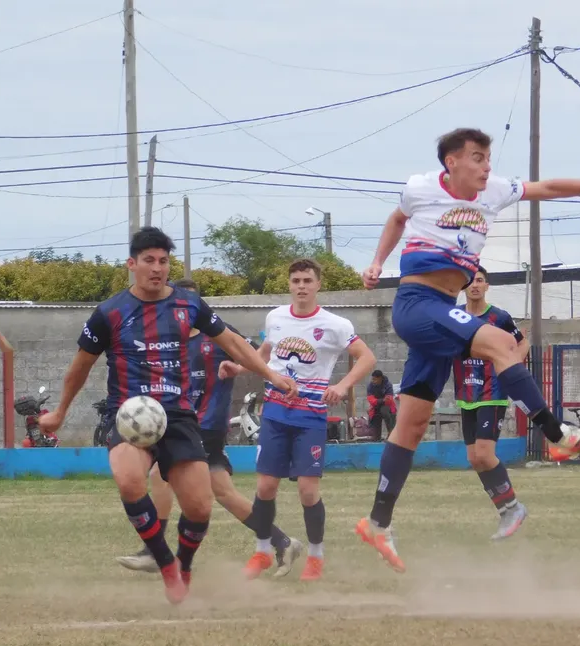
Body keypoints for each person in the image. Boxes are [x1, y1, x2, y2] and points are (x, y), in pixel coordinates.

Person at [356, 127, 580, 573]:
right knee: (499, 341)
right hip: (416, 305)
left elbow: (548, 187)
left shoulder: (494, 191)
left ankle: (378, 524)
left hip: (442, 309)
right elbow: (397, 218)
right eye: (477, 157)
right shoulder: (418, 187)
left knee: (410, 428)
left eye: (489, 157)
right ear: (451, 162)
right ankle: (559, 437)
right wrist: (378, 259)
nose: (487, 165)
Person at [38, 227, 297, 604]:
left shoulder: (188, 305)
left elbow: (233, 343)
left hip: (176, 417)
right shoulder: (110, 313)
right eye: (149, 261)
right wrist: (61, 410)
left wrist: (270, 374)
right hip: (128, 416)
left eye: (163, 261)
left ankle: (185, 565)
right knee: (129, 480)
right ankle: (166, 565)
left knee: (200, 506)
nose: (157, 268)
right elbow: (79, 367)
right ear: (132, 264)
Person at [116, 278, 306, 578]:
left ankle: (154, 552)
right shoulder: (167, 340)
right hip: (181, 423)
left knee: (159, 474)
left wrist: (241, 368)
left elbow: (255, 354)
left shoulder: (217, 335)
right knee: (224, 493)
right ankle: (284, 542)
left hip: (205, 424)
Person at [241, 258, 377, 582]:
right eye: (296, 280)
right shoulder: (275, 318)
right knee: (265, 486)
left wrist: (343, 386)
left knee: (307, 491)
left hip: (311, 417)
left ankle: (315, 556)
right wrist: (242, 367)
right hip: (274, 413)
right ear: (289, 284)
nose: (301, 286)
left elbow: (367, 357)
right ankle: (262, 550)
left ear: (318, 284)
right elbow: (263, 356)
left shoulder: (335, 324)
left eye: (307, 280)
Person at [453, 266, 530, 540]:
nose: (475, 285)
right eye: (471, 281)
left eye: (481, 280)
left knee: (485, 454)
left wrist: (511, 366)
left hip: (493, 391)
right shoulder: (456, 316)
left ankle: (513, 508)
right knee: (475, 459)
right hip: (467, 395)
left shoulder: (499, 317)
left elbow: (522, 342)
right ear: (464, 286)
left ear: (487, 286)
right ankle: (506, 509)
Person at [366, 370, 397, 441]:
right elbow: (371, 400)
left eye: (375, 379)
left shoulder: (388, 384)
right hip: (376, 407)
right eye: (372, 379)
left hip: (387, 406)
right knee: (375, 417)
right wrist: (382, 400)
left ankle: (391, 433)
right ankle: (377, 437)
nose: (373, 381)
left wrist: (378, 401)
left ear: (380, 378)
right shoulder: (370, 386)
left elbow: (389, 400)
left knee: (384, 411)